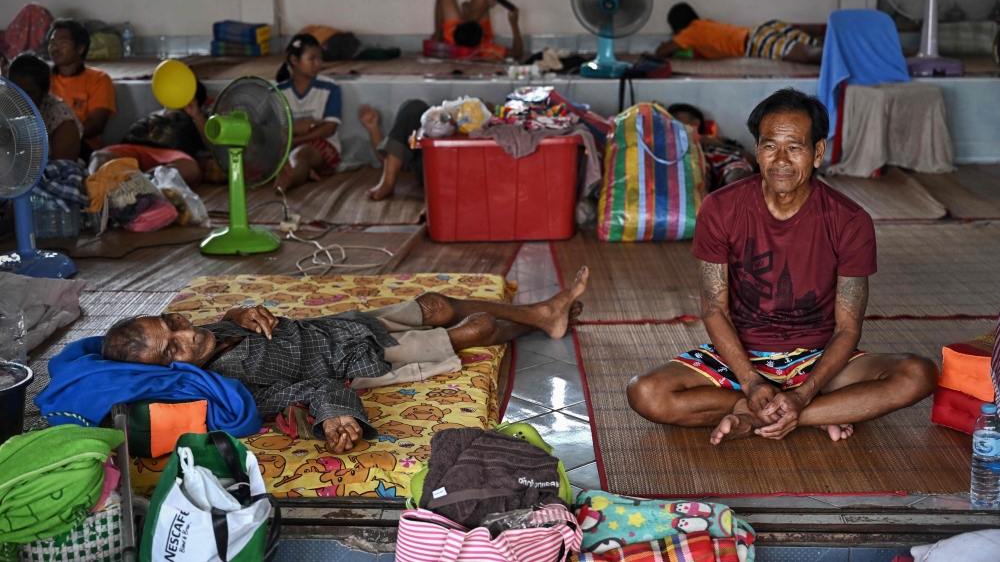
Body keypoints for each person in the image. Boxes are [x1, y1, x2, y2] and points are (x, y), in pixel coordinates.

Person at [626, 88, 937, 445]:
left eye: (795, 147)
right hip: (740, 357)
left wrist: (804, 394)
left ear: (817, 152)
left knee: (919, 373)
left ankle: (763, 417)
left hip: (818, 359)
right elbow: (715, 311)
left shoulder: (850, 220)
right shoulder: (720, 208)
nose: (781, 160)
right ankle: (814, 411)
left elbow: (848, 329)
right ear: (757, 150)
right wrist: (752, 381)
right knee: (645, 393)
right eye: (770, 146)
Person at [101, 267, 589, 454]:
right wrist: (338, 413)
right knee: (474, 331)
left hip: (338, 325)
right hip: (361, 359)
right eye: (174, 348)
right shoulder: (229, 389)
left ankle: (545, 315)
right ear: (171, 372)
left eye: (175, 324)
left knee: (435, 304)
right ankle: (545, 317)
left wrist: (242, 311)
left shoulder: (208, 334)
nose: (188, 334)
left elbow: (225, 318)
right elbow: (310, 390)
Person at [88, 81, 212, 186]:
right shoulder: (158, 112)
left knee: (191, 170)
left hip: (169, 154)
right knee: (99, 156)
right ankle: (95, 185)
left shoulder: (197, 118)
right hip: (132, 147)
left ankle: (140, 183)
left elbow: (212, 147)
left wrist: (196, 114)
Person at [274, 34, 345, 192]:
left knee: (302, 153)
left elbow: (330, 128)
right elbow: (271, 130)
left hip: (319, 145)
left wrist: (296, 138)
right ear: (294, 60)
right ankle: (303, 173)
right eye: (312, 58)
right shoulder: (277, 93)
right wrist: (295, 128)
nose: (318, 63)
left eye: (320, 58)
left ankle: (287, 182)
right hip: (285, 145)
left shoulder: (330, 89)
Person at [655, 3, 825, 64]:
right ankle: (844, 50)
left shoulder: (690, 32)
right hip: (765, 27)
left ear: (678, 29)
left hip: (756, 41)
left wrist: (665, 45)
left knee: (807, 55)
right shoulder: (705, 24)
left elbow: (661, 53)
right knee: (816, 46)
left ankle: (842, 57)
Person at [47, 18, 117, 159]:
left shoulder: (98, 79)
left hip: (82, 146)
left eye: (63, 43)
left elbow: (96, 125)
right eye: (52, 43)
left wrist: (61, 138)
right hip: (43, 144)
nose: (55, 48)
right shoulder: (43, 78)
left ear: (80, 48)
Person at [7, 53, 82, 161]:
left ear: (45, 90)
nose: (21, 99)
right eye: (15, 92)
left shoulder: (61, 118)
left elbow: (64, 169)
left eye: (29, 94)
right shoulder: (3, 103)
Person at [667, 103, 756, 190]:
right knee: (698, 180)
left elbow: (755, 163)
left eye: (677, 119)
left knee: (737, 176)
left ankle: (750, 198)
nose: (672, 124)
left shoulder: (719, 140)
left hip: (727, 160)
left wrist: (719, 144)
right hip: (697, 161)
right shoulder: (673, 143)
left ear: (696, 123)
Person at [362, 100, 429, 201]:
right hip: (434, 164)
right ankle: (387, 181)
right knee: (414, 106)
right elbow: (392, 159)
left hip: (454, 173)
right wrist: (373, 129)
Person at [432, 0, 523, 62]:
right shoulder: (486, 50)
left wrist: (438, 32)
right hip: (465, 34)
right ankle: (467, 14)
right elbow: (517, 52)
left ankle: (465, 15)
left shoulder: (452, 34)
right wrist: (514, 24)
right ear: (481, 38)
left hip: (455, 38)